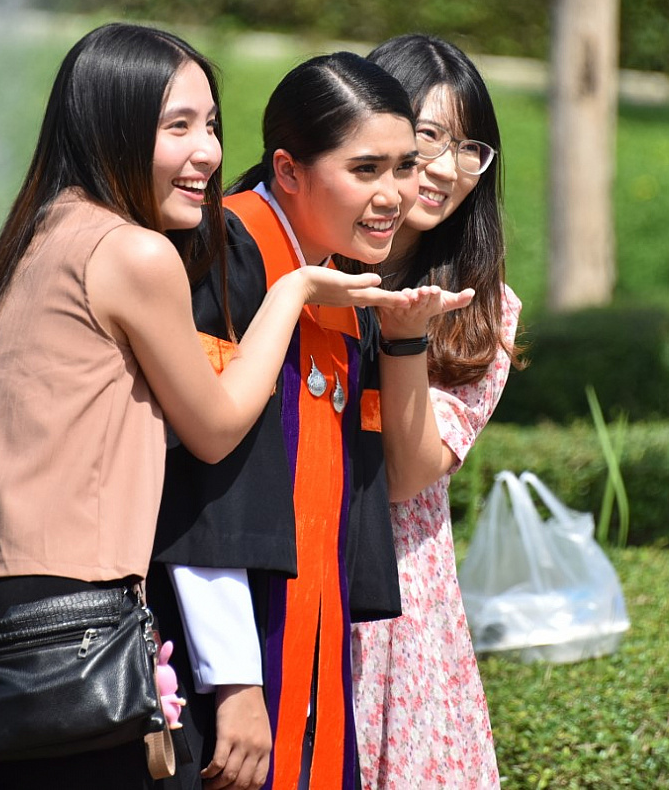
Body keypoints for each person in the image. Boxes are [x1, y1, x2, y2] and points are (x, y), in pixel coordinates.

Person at [0, 25, 403, 790]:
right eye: (177, 126)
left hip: (11, 632)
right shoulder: (135, 253)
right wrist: (292, 291)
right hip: (90, 636)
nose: (208, 154)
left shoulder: (33, 239)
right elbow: (217, 430)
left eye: (211, 125)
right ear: (113, 127)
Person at [150, 52, 471, 790]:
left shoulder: (340, 287)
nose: (394, 194)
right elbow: (196, 475)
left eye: (404, 167)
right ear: (288, 170)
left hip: (311, 650)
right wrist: (235, 681)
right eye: (365, 170)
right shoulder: (225, 253)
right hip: (216, 659)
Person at [350, 35, 523, 790]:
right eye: (429, 138)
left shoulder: (483, 310)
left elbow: (408, 475)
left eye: (470, 147)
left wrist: (406, 337)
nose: (449, 169)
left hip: (399, 607)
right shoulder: (299, 265)